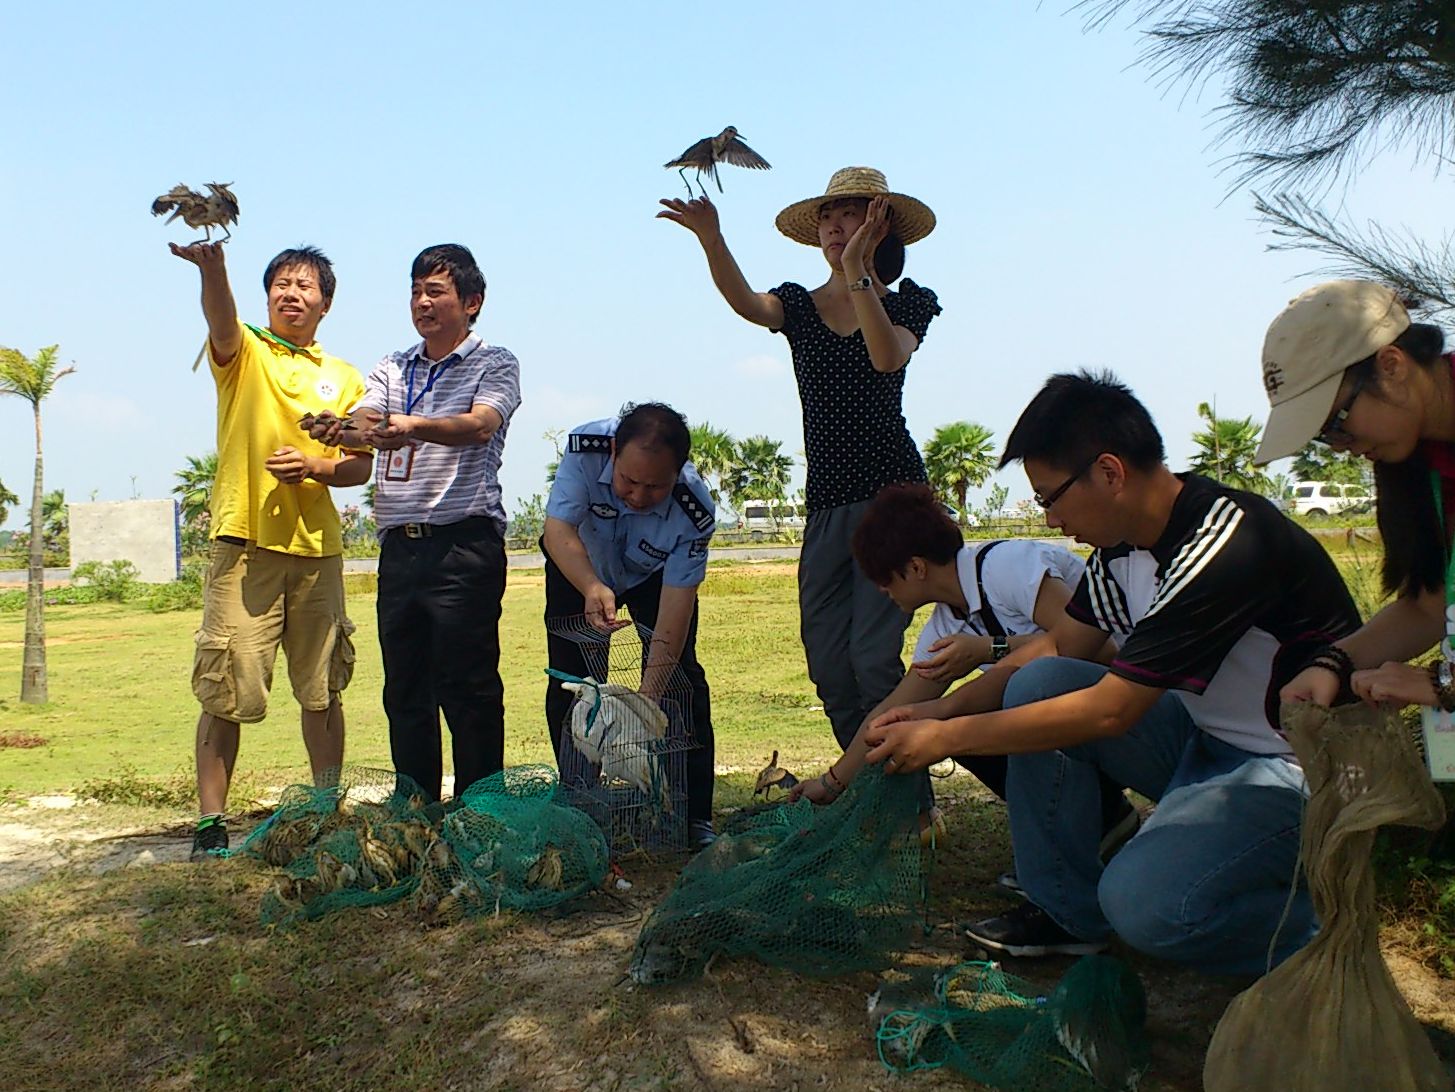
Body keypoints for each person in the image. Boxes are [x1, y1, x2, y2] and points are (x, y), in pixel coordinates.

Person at [862, 372, 1360, 974]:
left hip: (1298, 769)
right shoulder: (1120, 552)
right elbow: (1054, 648)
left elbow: (1111, 711)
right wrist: (941, 707)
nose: (1049, 521)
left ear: (1109, 472)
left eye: (1049, 498)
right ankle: (1066, 915)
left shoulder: (1219, 543)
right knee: (1037, 684)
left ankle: (1322, 928)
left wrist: (946, 737)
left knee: (1144, 907)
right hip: (1206, 742)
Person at [658, 167, 941, 755]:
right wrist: (712, 237)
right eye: (827, 218)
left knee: (873, 658)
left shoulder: (908, 304)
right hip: (829, 502)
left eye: (850, 214)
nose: (835, 227)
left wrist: (858, 270)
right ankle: (866, 779)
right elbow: (747, 302)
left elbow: (885, 358)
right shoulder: (800, 306)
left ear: (880, 224)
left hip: (894, 501)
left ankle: (902, 792)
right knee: (829, 665)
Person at [794, 482, 1137, 874]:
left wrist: (990, 648)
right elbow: (896, 708)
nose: (881, 590)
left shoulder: (1007, 567)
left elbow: (1099, 648)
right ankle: (1098, 822)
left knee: (1028, 688)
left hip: (1127, 706)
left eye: (884, 578)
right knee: (947, 721)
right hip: (1075, 720)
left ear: (916, 568)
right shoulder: (948, 622)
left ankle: (1088, 829)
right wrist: (833, 782)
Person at [171, 241, 372, 860]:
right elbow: (221, 322)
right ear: (266, 297)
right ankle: (211, 824)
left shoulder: (345, 377)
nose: (292, 294)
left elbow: (360, 464)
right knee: (227, 687)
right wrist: (213, 269)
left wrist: (314, 465)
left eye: (305, 286)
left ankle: (325, 809)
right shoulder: (245, 352)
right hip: (244, 545)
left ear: (325, 303)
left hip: (317, 551)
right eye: (281, 284)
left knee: (322, 687)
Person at [304, 244, 520, 803]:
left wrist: (412, 426)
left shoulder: (494, 363)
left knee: (469, 688)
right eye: (416, 291)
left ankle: (479, 811)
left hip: (463, 545)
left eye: (436, 292)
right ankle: (415, 810)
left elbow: (479, 425)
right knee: (404, 689)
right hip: (400, 549)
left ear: (472, 302)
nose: (422, 302)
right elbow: (367, 420)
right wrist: (339, 429)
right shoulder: (393, 366)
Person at [1256, 281, 1455, 718]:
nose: (1340, 447)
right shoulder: (1420, 465)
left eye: (1336, 424)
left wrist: (1445, 683)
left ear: (1391, 366)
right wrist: (1332, 663)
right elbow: (1428, 607)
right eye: (1323, 437)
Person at [542, 403, 717, 847]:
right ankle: (580, 801)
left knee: (681, 681)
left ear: (678, 473)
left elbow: (676, 606)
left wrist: (647, 702)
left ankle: (690, 814)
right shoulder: (585, 449)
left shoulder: (694, 511)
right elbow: (557, 530)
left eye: (655, 486)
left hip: (651, 577)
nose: (637, 496)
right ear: (614, 453)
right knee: (573, 682)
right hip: (579, 562)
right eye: (628, 481)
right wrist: (590, 585)